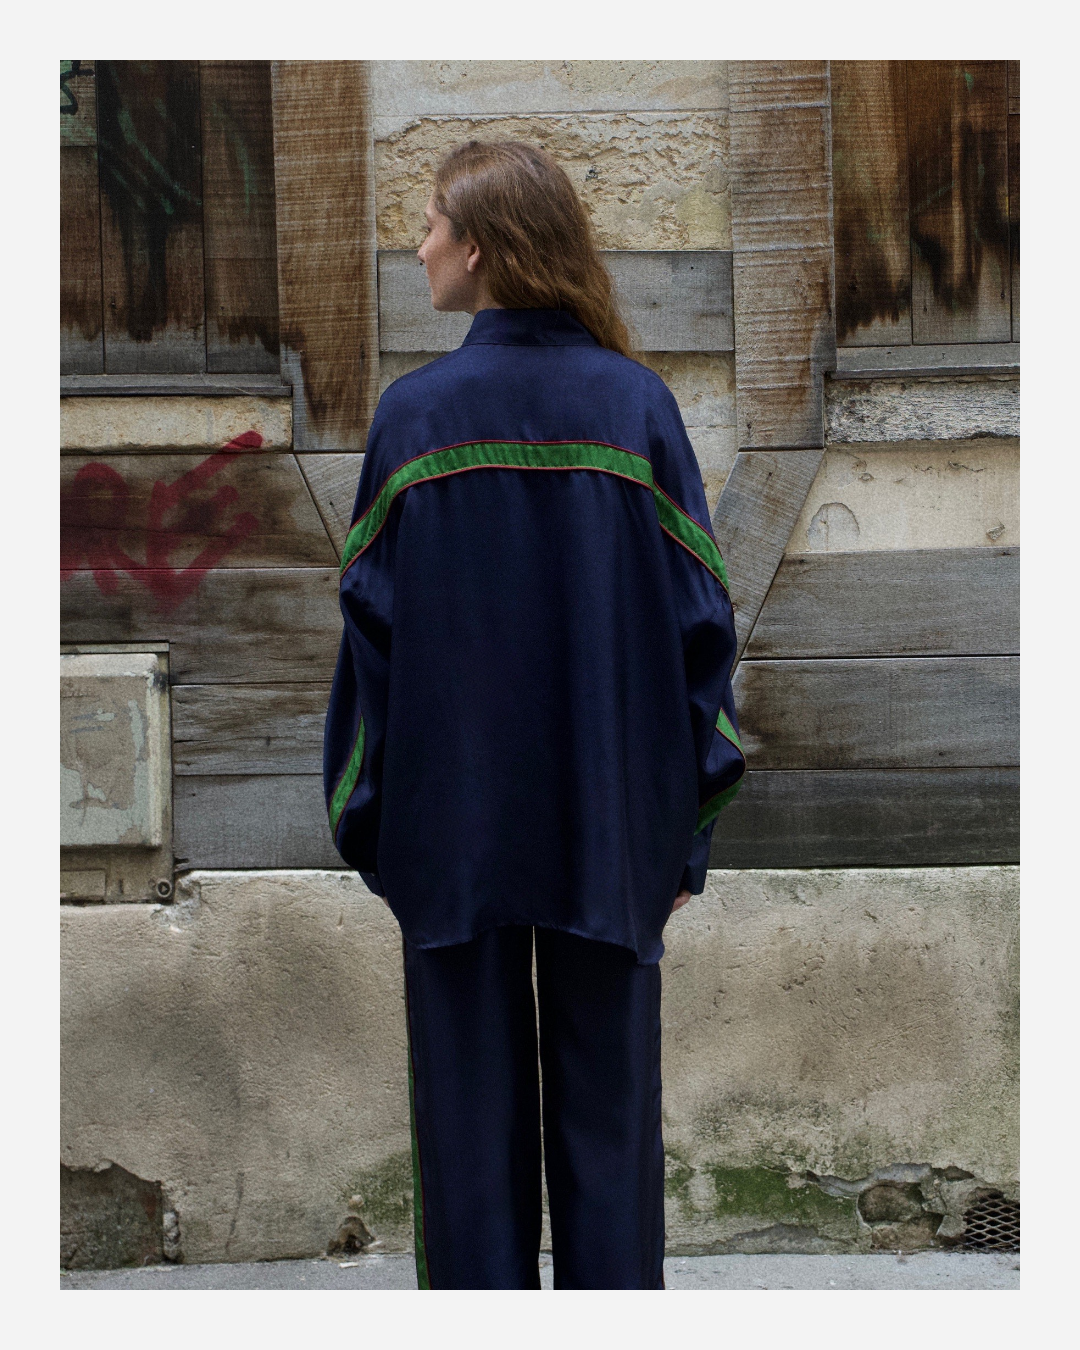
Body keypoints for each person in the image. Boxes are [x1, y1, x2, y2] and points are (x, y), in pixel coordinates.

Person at [323, 140, 745, 1290]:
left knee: (467, 1152)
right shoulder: (637, 407)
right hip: (614, 837)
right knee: (613, 1140)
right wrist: (681, 839)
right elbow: (702, 637)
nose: (417, 245)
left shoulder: (413, 419)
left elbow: (370, 652)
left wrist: (375, 831)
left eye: (431, 223)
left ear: (481, 247)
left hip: (450, 839)